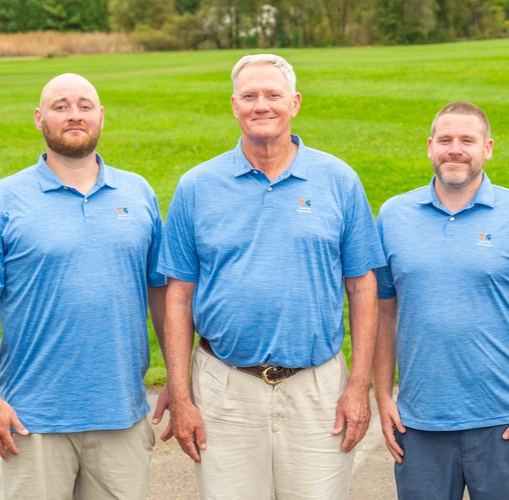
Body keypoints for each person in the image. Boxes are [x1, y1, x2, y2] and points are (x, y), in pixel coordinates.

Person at [158, 54, 385, 500]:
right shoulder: (197, 186)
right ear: (234, 105)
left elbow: (362, 287)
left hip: (317, 388)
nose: (262, 105)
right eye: (250, 95)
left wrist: (358, 387)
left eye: (273, 95)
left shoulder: (338, 180)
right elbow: (178, 297)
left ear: (295, 103)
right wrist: (181, 397)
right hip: (225, 386)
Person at [0, 73, 168, 499]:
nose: (74, 115)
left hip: (120, 415)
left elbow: (161, 292)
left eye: (85, 105)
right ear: (39, 118)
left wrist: (179, 383)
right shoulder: (2, 200)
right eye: (60, 106)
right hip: (33, 419)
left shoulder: (138, 192)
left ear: (101, 116)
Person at [373, 101, 509, 499]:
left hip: (505, 422)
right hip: (420, 423)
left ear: (488, 148)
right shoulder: (393, 216)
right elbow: (382, 311)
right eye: (445, 140)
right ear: (430, 147)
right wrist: (382, 394)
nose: (455, 149)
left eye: (467, 140)